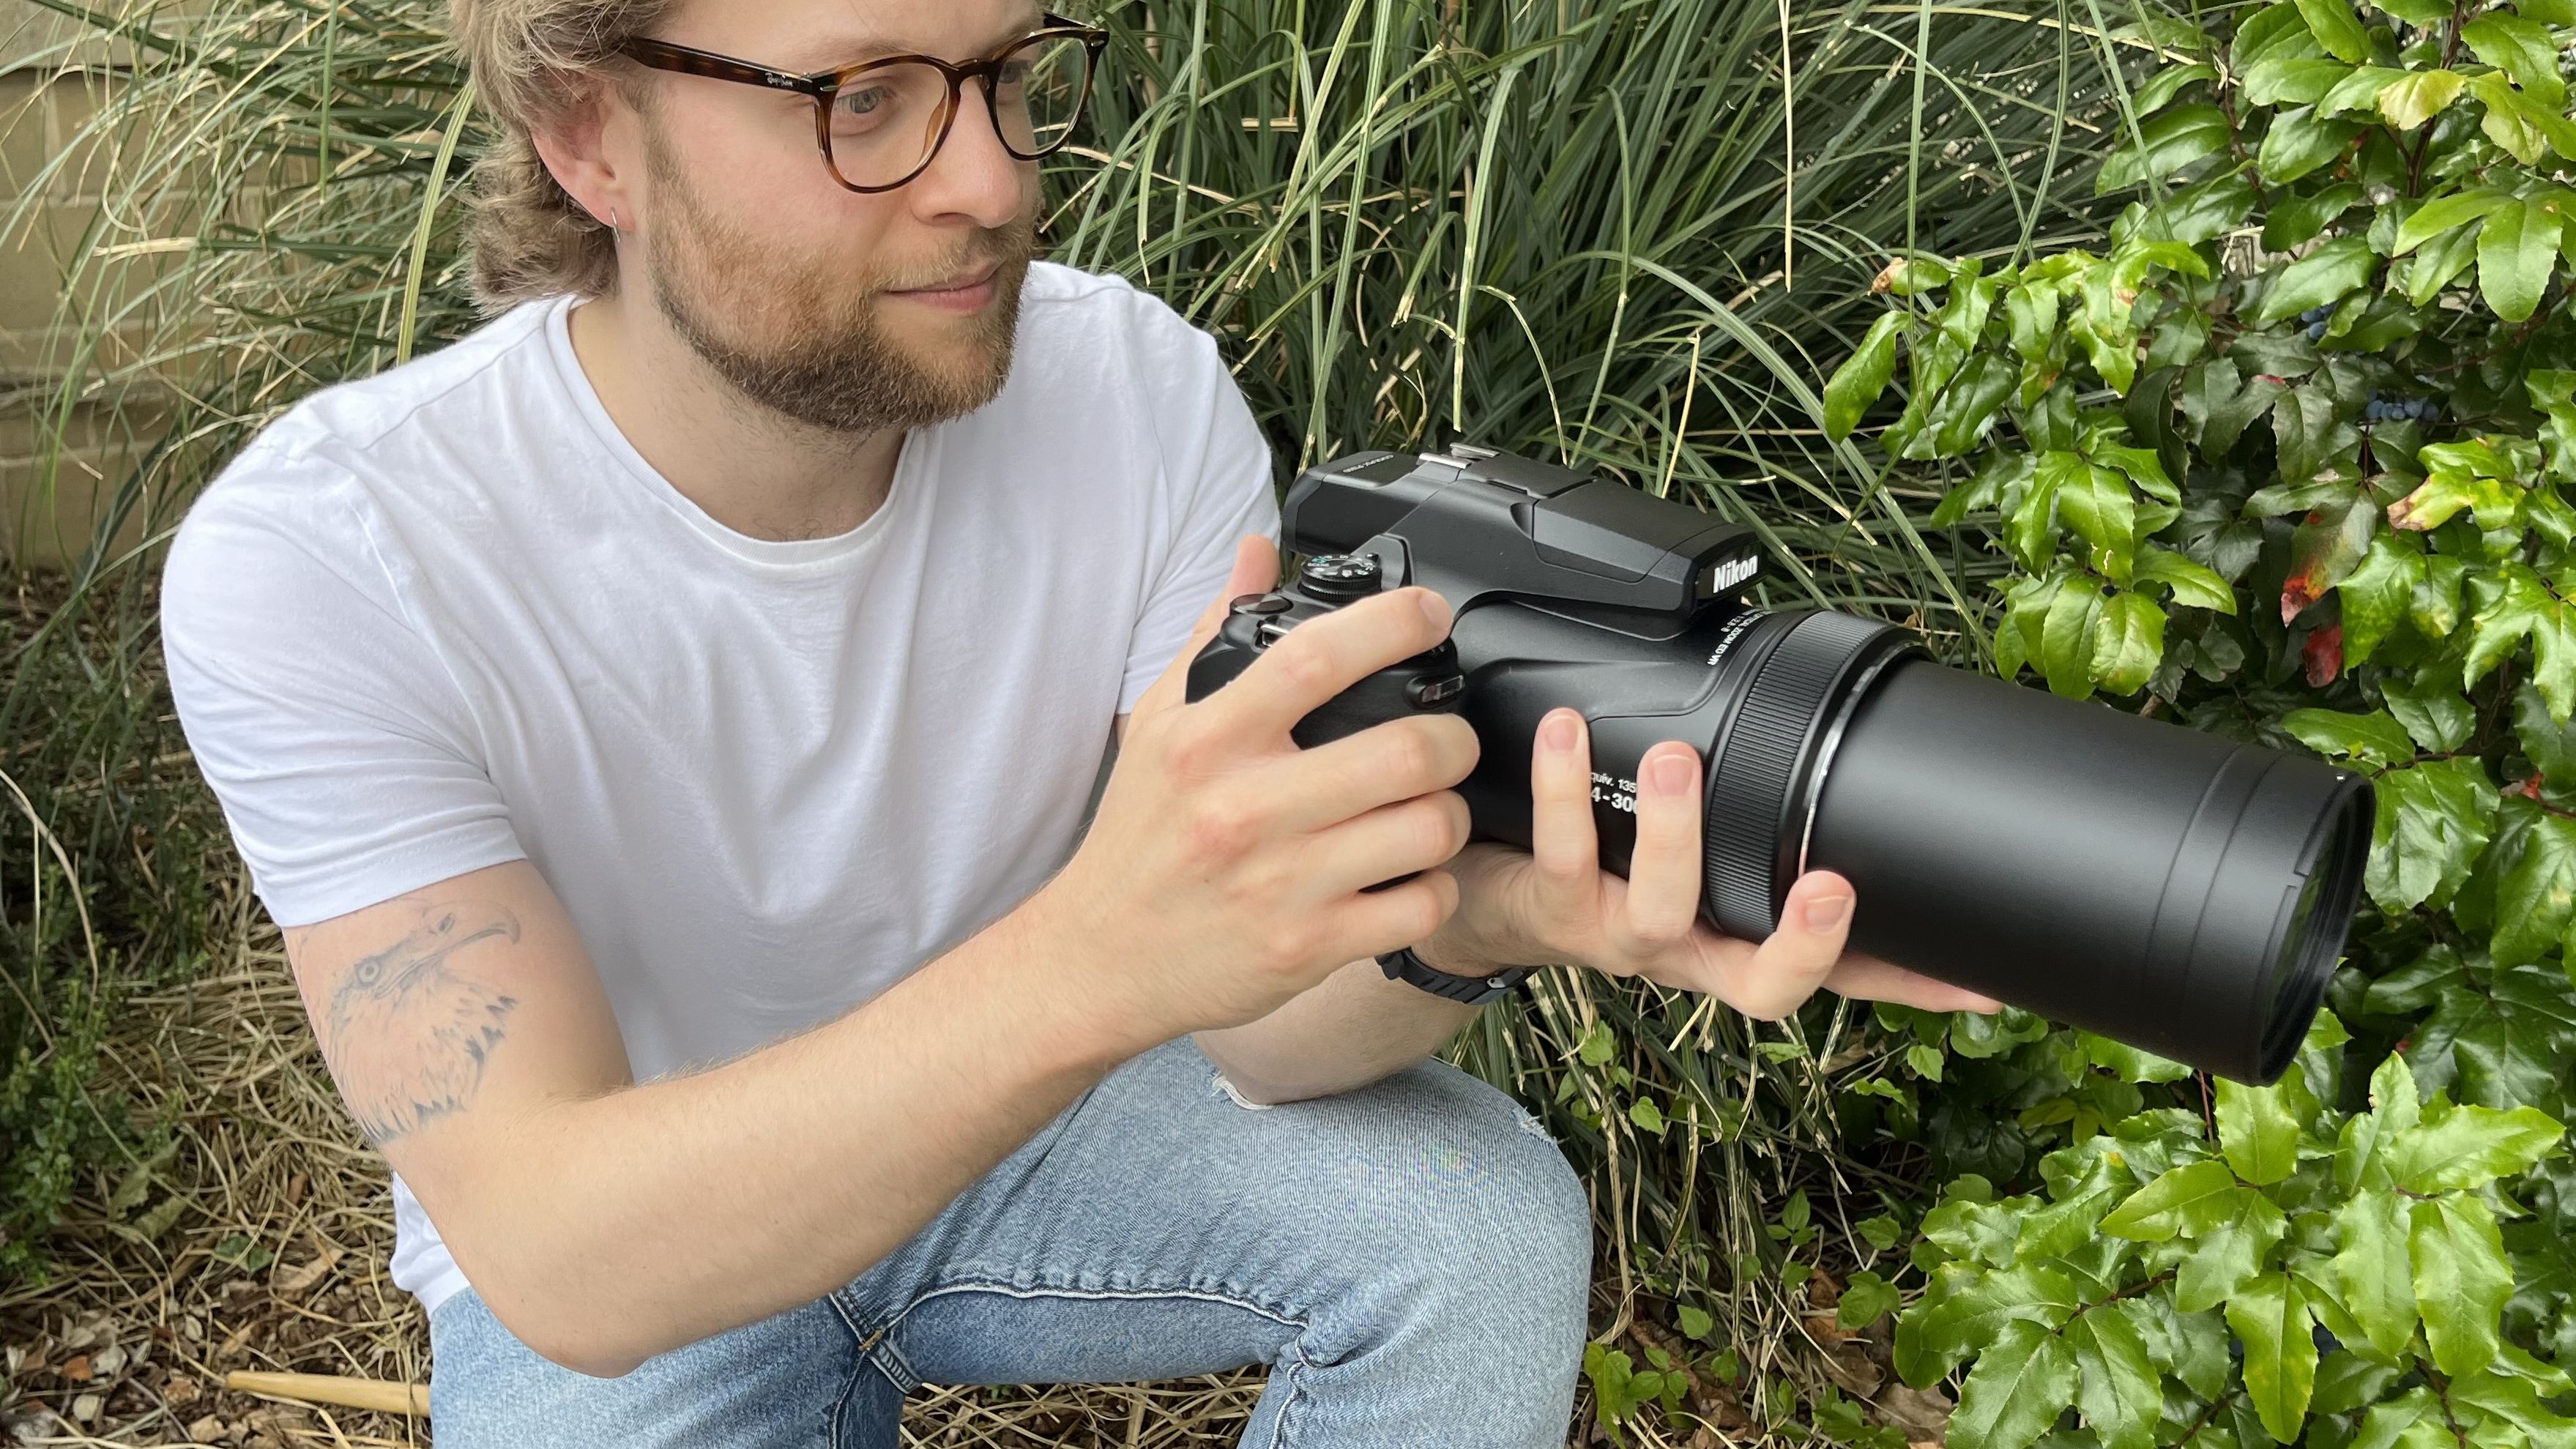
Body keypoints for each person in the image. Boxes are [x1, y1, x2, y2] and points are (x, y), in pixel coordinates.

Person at [157, 0, 1999, 1442]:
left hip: (1051, 1122)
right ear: (590, 137)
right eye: (862, 100)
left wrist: (1477, 916)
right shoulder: (336, 554)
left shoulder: (1131, 392)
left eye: (1005, 77)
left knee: (1473, 1223)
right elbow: (565, 1255)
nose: (988, 180)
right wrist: (1107, 958)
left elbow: (1264, 1040)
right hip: (655, 1232)